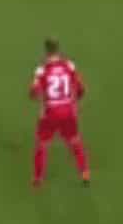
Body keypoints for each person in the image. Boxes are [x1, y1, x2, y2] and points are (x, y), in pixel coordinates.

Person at [27, 38, 90, 187]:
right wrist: (74, 100)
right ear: (58, 49)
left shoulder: (42, 70)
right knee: (75, 141)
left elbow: (33, 92)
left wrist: (35, 95)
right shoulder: (69, 66)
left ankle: (38, 178)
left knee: (42, 144)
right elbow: (81, 88)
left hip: (50, 112)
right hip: (68, 111)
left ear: (46, 50)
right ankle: (85, 173)